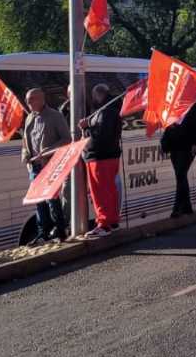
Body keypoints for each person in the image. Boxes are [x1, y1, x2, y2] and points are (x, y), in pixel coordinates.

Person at [21, 88, 71, 244]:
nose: (28, 103)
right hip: (34, 166)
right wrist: (25, 156)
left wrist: (48, 151)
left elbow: (66, 139)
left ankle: (60, 230)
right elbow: (25, 143)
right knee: (38, 200)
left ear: (41, 99)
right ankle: (43, 232)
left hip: (50, 165)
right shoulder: (29, 118)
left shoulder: (55, 116)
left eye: (31, 99)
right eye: (27, 100)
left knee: (52, 199)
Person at [80, 84, 123, 238]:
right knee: (109, 190)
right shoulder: (112, 109)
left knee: (99, 192)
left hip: (100, 157)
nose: (92, 99)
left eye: (93, 96)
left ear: (98, 95)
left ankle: (103, 224)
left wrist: (86, 128)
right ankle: (112, 221)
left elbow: (102, 135)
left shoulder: (106, 111)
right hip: (109, 156)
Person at [161, 96, 196, 219]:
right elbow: (167, 125)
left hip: (187, 147)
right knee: (180, 176)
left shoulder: (194, 107)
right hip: (174, 146)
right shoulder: (173, 107)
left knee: (181, 174)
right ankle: (187, 207)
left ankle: (177, 209)